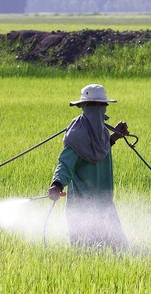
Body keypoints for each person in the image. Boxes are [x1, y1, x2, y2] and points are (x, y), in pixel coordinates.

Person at [47, 84, 129, 249]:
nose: (98, 109)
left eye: (100, 105)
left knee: (120, 250)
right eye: (93, 105)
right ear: (83, 107)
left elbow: (98, 152)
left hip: (105, 204)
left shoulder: (102, 133)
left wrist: (114, 137)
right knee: (86, 251)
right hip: (81, 208)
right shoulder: (77, 134)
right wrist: (57, 184)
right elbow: (65, 163)